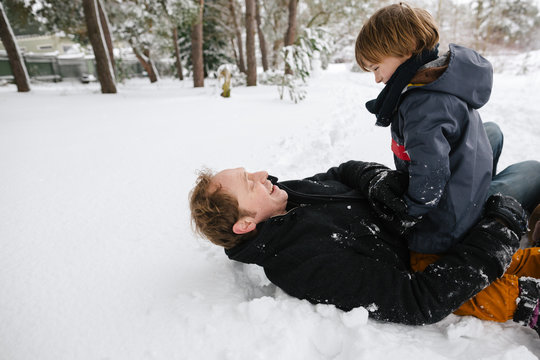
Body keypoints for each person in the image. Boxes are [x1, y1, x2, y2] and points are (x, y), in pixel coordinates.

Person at [189, 159, 540, 332]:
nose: (262, 175)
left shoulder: (287, 195)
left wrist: (375, 179)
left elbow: (340, 172)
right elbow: (419, 301)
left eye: (251, 173)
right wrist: (502, 227)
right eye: (250, 184)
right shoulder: (300, 263)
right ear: (245, 224)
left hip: (427, 216)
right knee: (528, 175)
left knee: (499, 143)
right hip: (437, 247)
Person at [355, 3, 494, 254]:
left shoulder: (422, 104)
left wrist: (408, 214)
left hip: (449, 224)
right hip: (469, 182)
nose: (376, 79)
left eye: (376, 67)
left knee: (422, 249)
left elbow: (431, 177)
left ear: (406, 50)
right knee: (492, 131)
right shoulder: (435, 80)